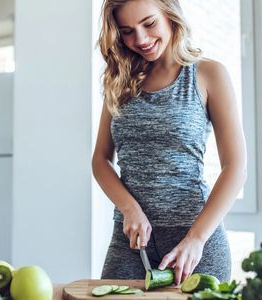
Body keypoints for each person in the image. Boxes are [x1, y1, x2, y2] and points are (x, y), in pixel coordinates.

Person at [92, 0, 247, 285]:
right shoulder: (118, 80)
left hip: (194, 241)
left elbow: (235, 166)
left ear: (170, 15)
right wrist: (129, 208)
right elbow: (100, 160)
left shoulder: (208, 74)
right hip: (131, 241)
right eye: (127, 31)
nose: (140, 39)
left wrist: (197, 238)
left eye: (149, 24)